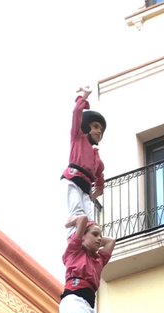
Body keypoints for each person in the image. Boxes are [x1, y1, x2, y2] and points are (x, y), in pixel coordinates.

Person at [62, 87, 106, 227]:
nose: (99, 131)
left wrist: (96, 193)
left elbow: (100, 181)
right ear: (87, 127)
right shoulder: (78, 138)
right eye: (95, 127)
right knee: (78, 213)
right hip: (73, 180)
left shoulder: (98, 160)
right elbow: (76, 113)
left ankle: (87, 245)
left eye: (101, 130)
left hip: (86, 189)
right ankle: (73, 236)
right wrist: (84, 96)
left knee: (91, 222)